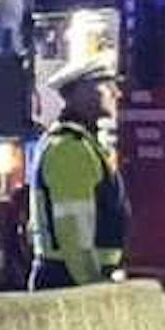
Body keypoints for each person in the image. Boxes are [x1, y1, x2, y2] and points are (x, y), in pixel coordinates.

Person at [28, 54, 127, 289]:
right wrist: (92, 284)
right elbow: (74, 232)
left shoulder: (83, 144)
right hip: (69, 281)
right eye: (107, 85)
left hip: (72, 277)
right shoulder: (69, 149)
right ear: (81, 92)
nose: (117, 93)